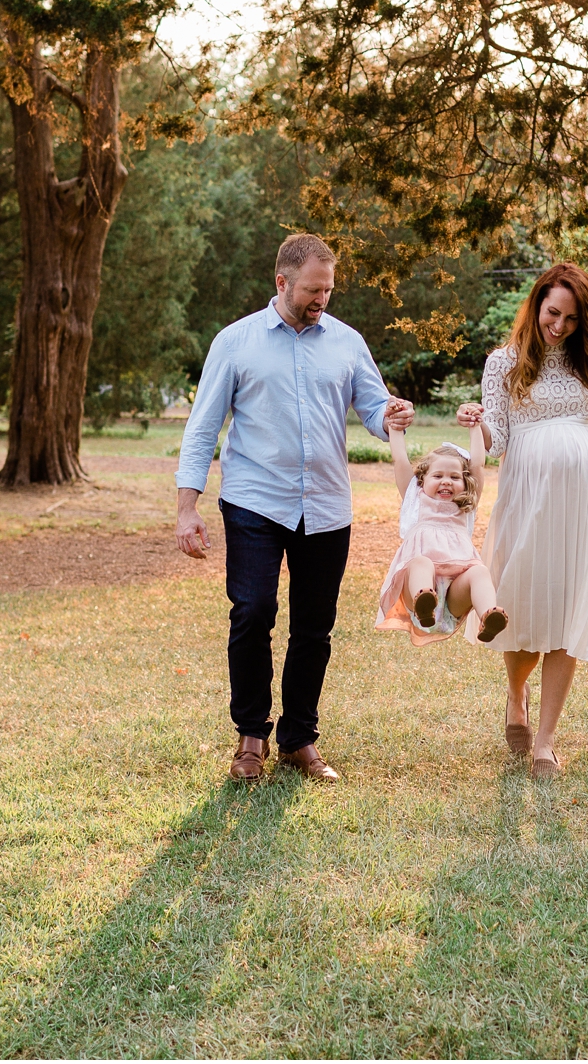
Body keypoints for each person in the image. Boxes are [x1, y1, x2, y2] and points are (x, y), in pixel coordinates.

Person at [175, 233, 416, 784]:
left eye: (328, 290)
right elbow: (202, 429)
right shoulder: (235, 343)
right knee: (253, 611)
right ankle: (251, 737)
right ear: (281, 282)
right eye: (312, 289)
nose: (322, 300)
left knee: (315, 627)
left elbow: (375, 409)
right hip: (254, 499)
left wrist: (393, 414)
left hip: (327, 506)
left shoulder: (347, 342)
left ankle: (299, 739)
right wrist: (187, 508)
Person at [460, 262, 588, 778]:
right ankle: (516, 695)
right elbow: (500, 439)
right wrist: (476, 427)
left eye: (573, 319)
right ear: (535, 305)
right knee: (521, 610)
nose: (560, 326)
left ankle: (546, 742)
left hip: (582, 507)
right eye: (554, 313)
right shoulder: (502, 363)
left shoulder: (586, 365)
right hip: (528, 498)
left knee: (569, 613)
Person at [374, 417, 509, 646]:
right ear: (422, 480)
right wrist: (395, 428)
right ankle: (424, 600)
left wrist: (474, 426)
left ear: (465, 483)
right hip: (418, 601)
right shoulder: (415, 499)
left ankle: (488, 615)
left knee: (478, 571)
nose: (446, 482)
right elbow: (400, 460)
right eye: (438, 476)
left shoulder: (465, 506)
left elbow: (477, 464)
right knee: (420, 562)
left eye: (455, 477)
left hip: (454, 596)